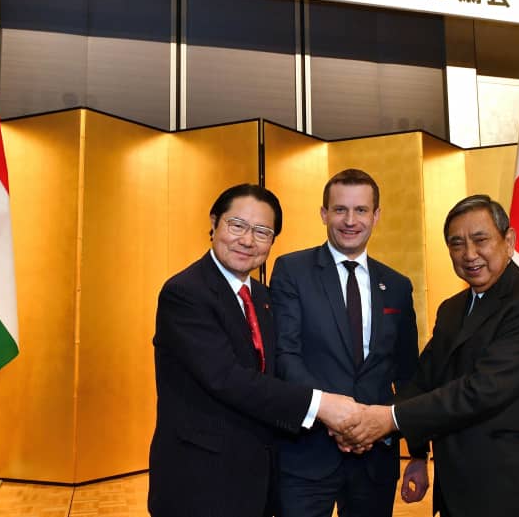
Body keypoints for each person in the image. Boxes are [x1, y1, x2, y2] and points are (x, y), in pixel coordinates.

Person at [338, 194, 519, 517]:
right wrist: (417, 454)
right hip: (460, 487)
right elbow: (424, 380)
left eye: (481, 240)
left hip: (518, 487)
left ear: (509, 241)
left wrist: (386, 421)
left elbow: (483, 390)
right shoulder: (452, 310)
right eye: (457, 244)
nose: (469, 254)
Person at [148, 183, 360, 517]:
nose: (248, 240)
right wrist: (323, 406)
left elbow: (273, 371)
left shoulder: (261, 297)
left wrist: (335, 422)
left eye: (263, 232)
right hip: (200, 482)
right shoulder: (185, 293)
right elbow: (226, 378)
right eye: (237, 226)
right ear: (214, 223)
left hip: (257, 480)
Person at [269, 169, 423, 517]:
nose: (350, 220)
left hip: (376, 459)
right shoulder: (292, 271)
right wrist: (334, 416)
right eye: (340, 210)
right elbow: (286, 355)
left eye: (361, 210)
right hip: (307, 455)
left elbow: (408, 373)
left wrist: (418, 453)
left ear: (376, 215)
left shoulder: (397, 285)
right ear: (324, 213)